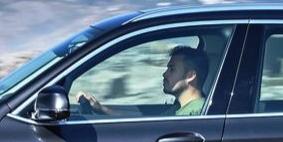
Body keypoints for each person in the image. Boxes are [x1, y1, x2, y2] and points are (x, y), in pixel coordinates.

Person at [75, 44, 209, 117]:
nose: (164, 74)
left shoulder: (194, 114)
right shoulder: (179, 108)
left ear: (190, 76)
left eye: (172, 69)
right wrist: (101, 109)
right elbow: (140, 121)